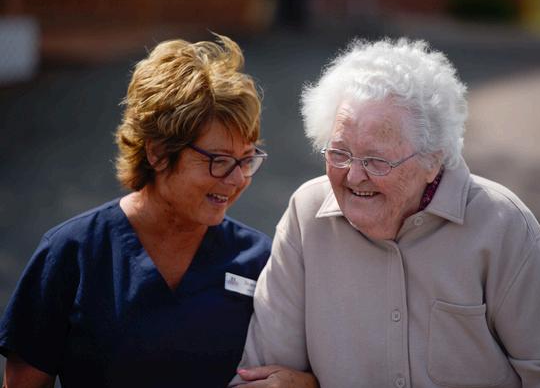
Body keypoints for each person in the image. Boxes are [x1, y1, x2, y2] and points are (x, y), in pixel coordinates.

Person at [231, 38, 540, 387]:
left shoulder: (500, 224)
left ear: (433, 160)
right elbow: (265, 370)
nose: (354, 176)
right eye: (340, 153)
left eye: (377, 160)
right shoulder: (307, 215)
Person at [0, 35, 313, 388]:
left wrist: (304, 384)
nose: (238, 178)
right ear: (159, 153)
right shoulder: (73, 252)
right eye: (219, 160)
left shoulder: (260, 260)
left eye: (247, 159)